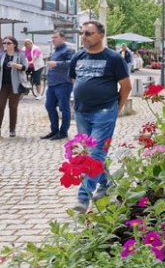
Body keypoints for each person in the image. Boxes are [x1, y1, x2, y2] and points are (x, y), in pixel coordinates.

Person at [69, 21, 132, 212]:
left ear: (100, 35)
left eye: (88, 33)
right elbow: (74, 79)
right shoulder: (78, 56)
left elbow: (126, 86)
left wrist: (116, 108)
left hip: (104, 112)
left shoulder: (113, 58)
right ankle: (104, 183)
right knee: (91, 154)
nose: (84, 36)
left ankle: (83, 197)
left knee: (95, 153)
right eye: (82, 33)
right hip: (81, 111)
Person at [41, 31, 75, 140]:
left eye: (55, 37)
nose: (53, 39)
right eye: (52, 37)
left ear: (63, 38)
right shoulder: (55, 51)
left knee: (64, 108)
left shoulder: (69, 50)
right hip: (52, 84)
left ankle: (63, 131)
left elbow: (72, 63)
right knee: (49, 105)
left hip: (63, 83)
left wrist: (57, 64)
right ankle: (54, 130)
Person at [0, 36, 28, 137]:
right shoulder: (1, 54)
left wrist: (16, 65)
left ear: (14, 44)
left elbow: (25, 67)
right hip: (3, 85)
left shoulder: (20, 54)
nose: (6, 45)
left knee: (13, 107)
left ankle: (12, 129)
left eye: (8, 43)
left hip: (15, 85)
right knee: (0, 106)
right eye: (4, 43)